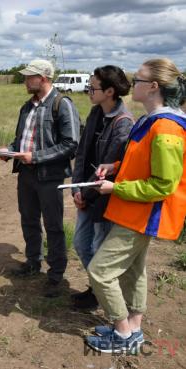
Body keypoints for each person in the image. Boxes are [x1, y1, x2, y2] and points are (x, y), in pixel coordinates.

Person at [86, 58, 186, 353]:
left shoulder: (166, 126)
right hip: (134, 213)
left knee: (100, 272)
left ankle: (122, 333)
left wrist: (115, 187)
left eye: (138, 79)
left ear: (154, 87)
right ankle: (135, 327)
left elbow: (163, 184)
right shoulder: (152, 120)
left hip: (143, 215)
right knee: (134, 272)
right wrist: (115, 166)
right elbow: (143, 164)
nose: (132, 83)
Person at [0, 59, 80, 297]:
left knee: (53, 225)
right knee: (29, 219)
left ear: (43, 78)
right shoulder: (27, 107)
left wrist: (34, 157)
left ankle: (55, 276)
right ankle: (33, 262)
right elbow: (21, 138)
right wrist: (10, 150)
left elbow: (71, 144)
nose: (25, 81)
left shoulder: (61, 104)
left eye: (28, 77)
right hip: (26, 174)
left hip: (49, 176)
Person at [70, 66, 134, 310]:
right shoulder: (95, 112)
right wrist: (76, 189)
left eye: (93, 87)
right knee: (80, 243)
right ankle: (98, 288)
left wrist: (84, 195)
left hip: (103, 199)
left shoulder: (123, 123)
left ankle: (104, 296)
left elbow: (107, 169)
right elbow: (83, 152)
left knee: (98, 247)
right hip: (85, 193)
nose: (88, 90)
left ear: (109, 91)